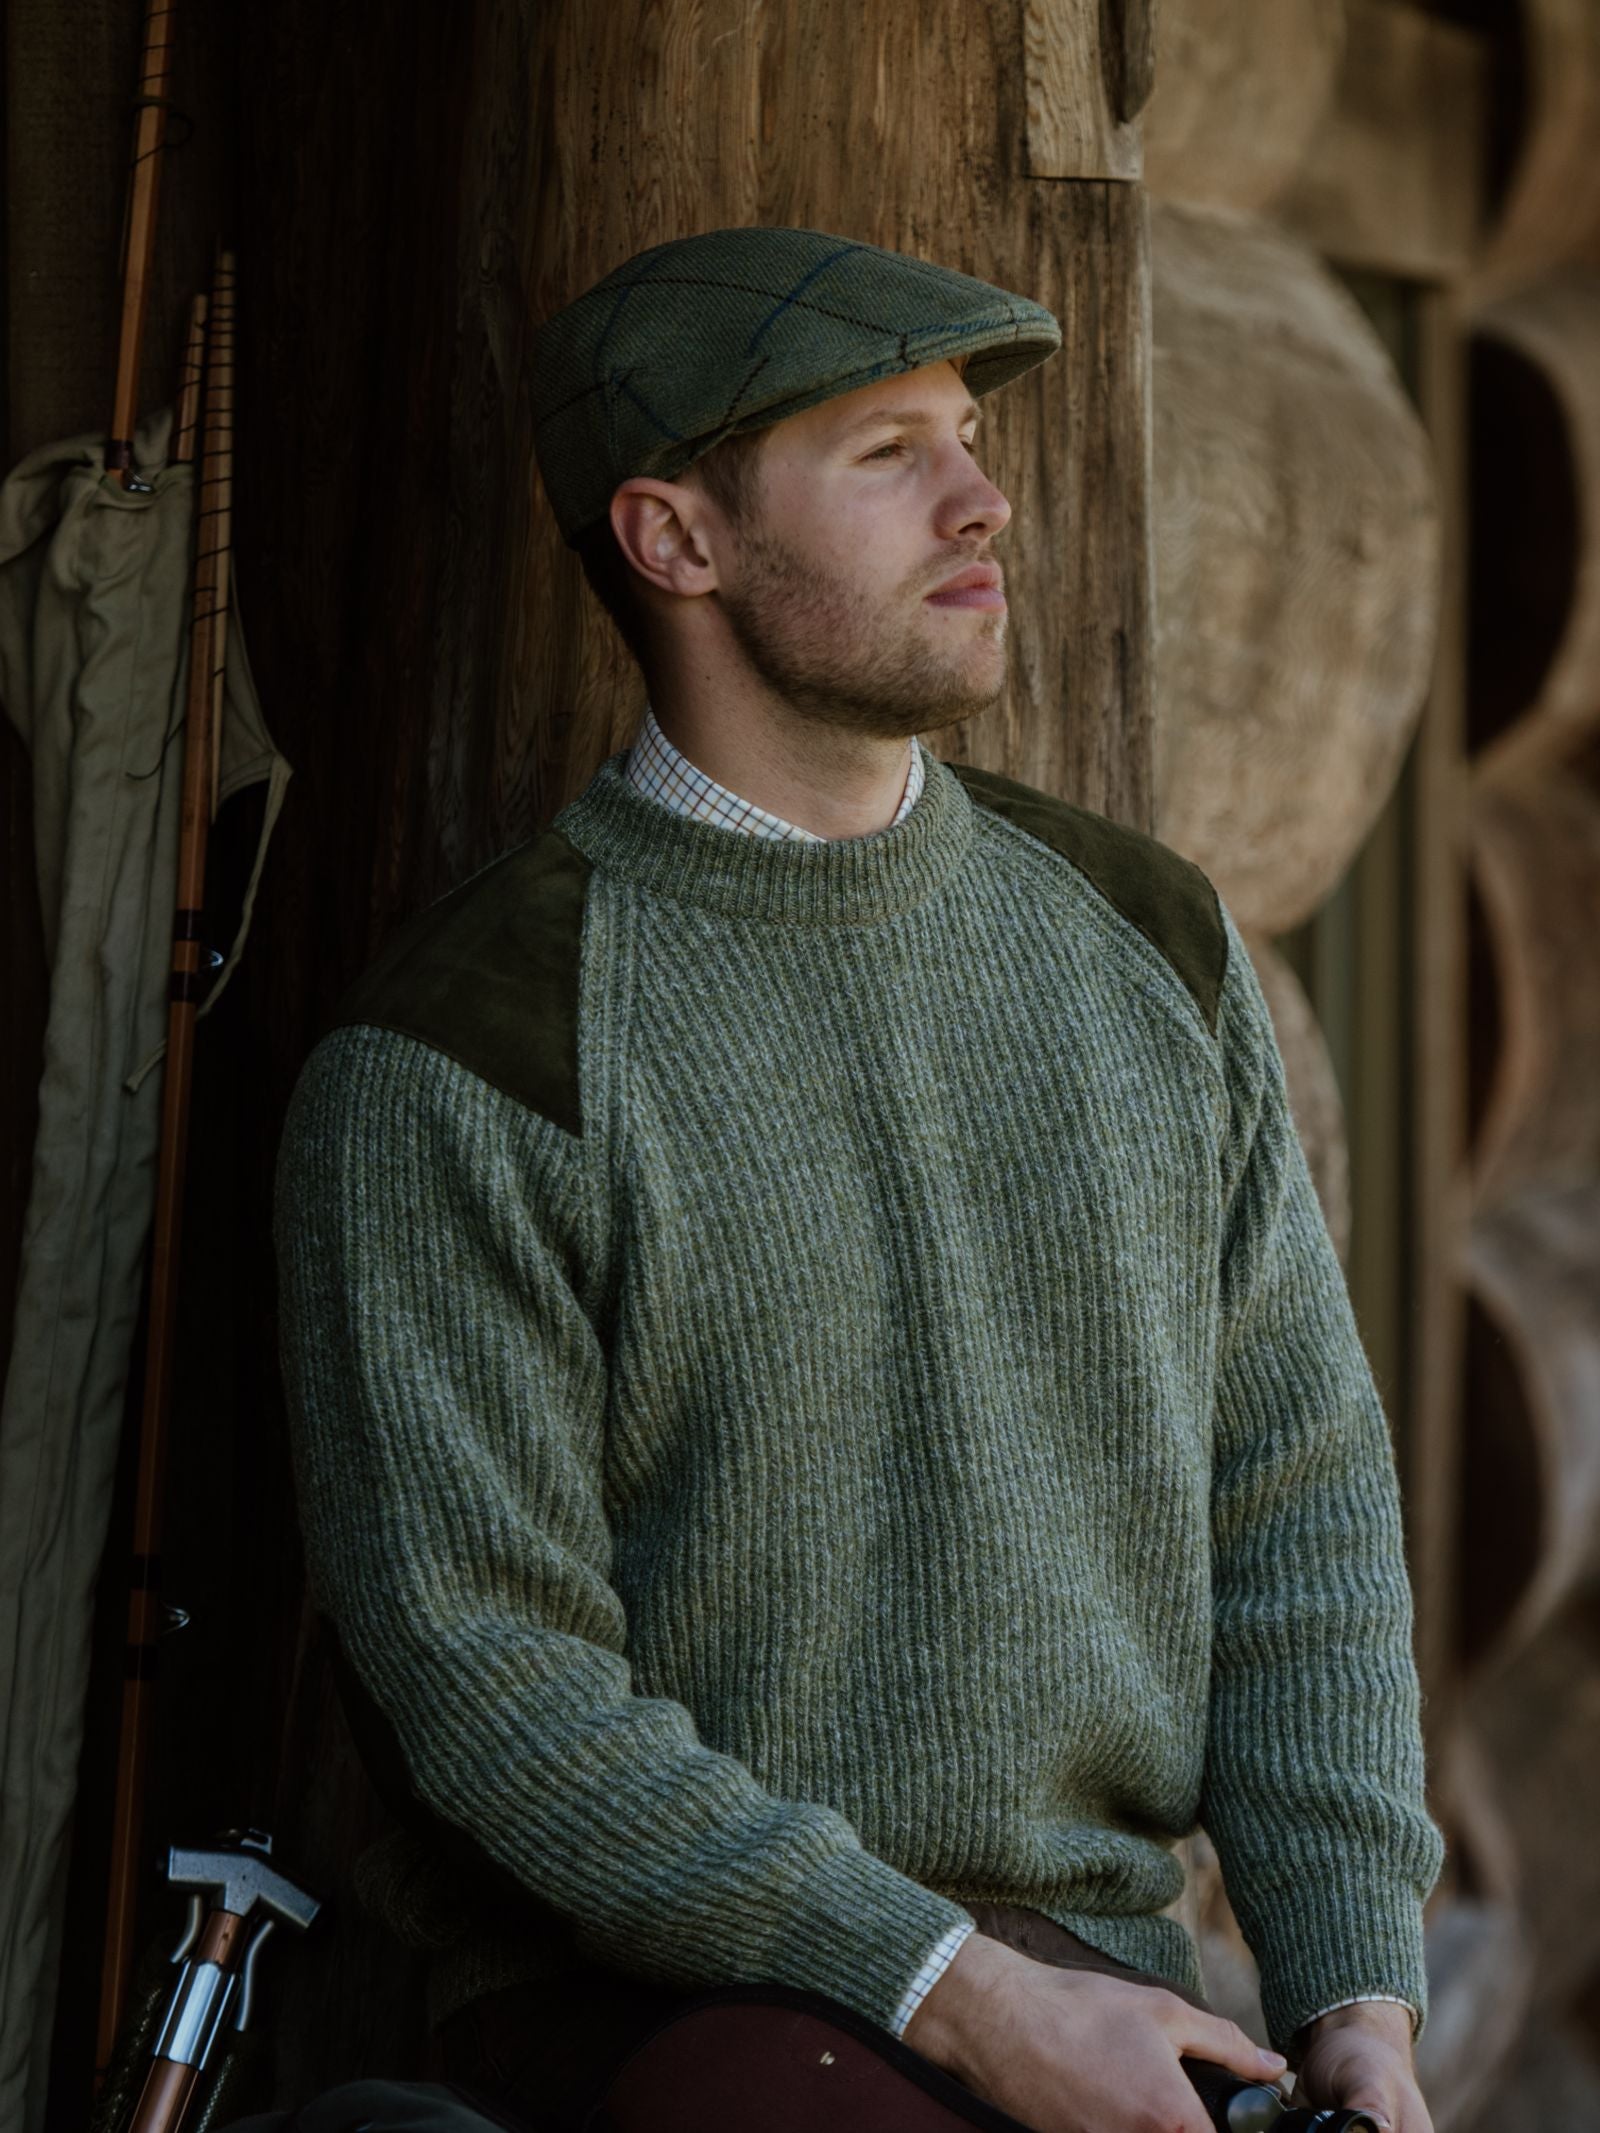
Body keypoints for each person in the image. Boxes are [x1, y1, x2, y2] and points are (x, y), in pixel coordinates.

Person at [273, 226, 1445, 2133]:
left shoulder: (1149, 945)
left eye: (966, 436)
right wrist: (952, 1987)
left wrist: (1360, 2001)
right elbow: (494, 1681)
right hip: (674, 2017)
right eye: (887, 451)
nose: (984, 500)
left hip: (1113, 2009)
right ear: (677, 542)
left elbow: (1294, 1499)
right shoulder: (465, 1057)